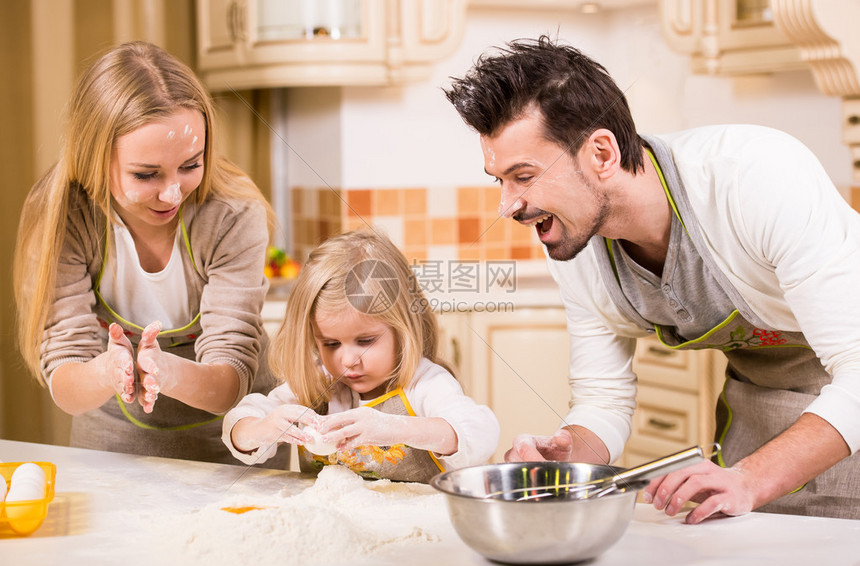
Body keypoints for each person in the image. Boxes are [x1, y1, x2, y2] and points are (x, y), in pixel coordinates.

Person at [444, 36, 860, 521]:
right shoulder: (575, 245)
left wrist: (753, 476)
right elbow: (604, 398)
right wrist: (570, 454)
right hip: (758, 410)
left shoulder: (755, 178)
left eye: (524, 175)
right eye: (500, 179)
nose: (508, 205)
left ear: (602, 153)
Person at [13, 41, 287, 466]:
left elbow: (228, 383)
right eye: (147, 174)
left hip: (236, 448)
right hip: (114, 451)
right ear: (95, 157)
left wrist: (167, 370)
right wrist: (109, 370)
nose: (173, 192)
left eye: (191, 165)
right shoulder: (64, 216)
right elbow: (67, 385)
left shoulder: (231, 213)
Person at [223, 230, 500, 482]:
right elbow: (240, 428)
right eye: (331, 344)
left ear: (403, 328)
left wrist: (396, 428)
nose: (348, 360)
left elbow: (480, 434)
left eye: (365, 341)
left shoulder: (424, 384)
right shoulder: (319, 384)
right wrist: (263, 428)